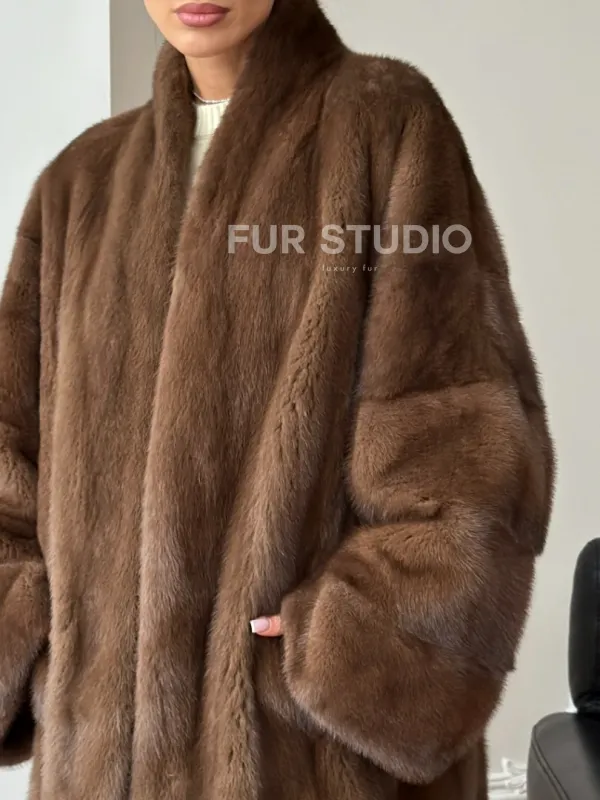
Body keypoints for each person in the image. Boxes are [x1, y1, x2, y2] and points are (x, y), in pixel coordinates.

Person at [0, 0, 554, 798]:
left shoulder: (385, 123)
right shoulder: (79, 183)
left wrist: (343, 647)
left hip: (307, 764)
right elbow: (10, 457)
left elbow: (462, 445)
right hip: (96, 768)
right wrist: (49, 643)